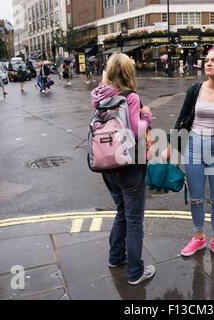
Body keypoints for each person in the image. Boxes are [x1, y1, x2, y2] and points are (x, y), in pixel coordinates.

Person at [163, 46, 214, 263]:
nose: (208, 63)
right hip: (193, 147)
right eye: (207, 60)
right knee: (196, 197)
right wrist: (172, 144)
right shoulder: (195, 89)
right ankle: (198, 236)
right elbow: (182, 118)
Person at [90, 53, 154, 286]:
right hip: (130, 165)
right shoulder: (130, 96)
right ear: (129, 73)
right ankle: (136, 272)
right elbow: (137, 131)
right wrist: (146, 115)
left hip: (106, 164)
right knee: (134, 220)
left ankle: (116, 258)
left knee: (121, 211)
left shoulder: (99, 95)